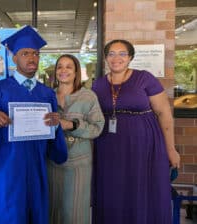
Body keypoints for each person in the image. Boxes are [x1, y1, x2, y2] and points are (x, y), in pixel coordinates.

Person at [0, 25, 68, 224]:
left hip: (37, 166)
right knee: (6, 214)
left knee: (36, 213)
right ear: (14, 58)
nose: (32, 58)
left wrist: (55, 124)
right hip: (5, 168)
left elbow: (54, 144)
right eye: (25, 53)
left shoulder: (46, 93)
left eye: (35, 53)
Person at [91, 39, 180, 224]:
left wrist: (170, 149)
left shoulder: (144, 78)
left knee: (141, 187)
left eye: (122, 53)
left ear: (130, 57)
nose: (117, 58)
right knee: (113, 188)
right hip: (108, 146)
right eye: (111, 54)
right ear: (106, 58)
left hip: (144, 145)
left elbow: (164, 114)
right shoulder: (97, 85)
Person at [48, 54, 105, 224]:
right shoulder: (46, 96)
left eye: (68, 67)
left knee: (75, 213)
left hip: (78, 164)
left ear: (76, 72)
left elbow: (97, 128)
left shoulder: (88, 97)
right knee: (52, 210)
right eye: (60, 67)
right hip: (51, 163)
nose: (63, 70)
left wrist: (71, 125)